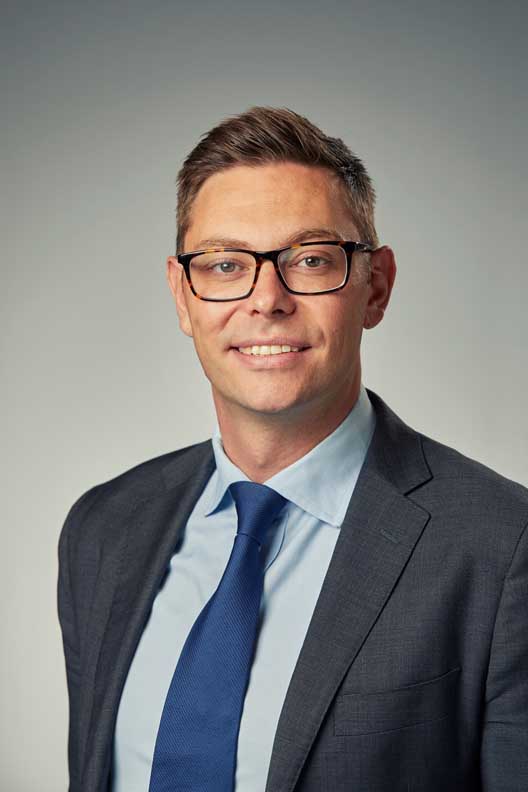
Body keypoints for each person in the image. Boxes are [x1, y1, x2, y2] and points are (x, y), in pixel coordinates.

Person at [57, 106, 528, 792]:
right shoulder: (103, 530)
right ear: (184, 297)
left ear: (376, 285)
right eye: (225, 264)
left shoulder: (503, 547)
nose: (266, 300)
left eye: (310, 260)